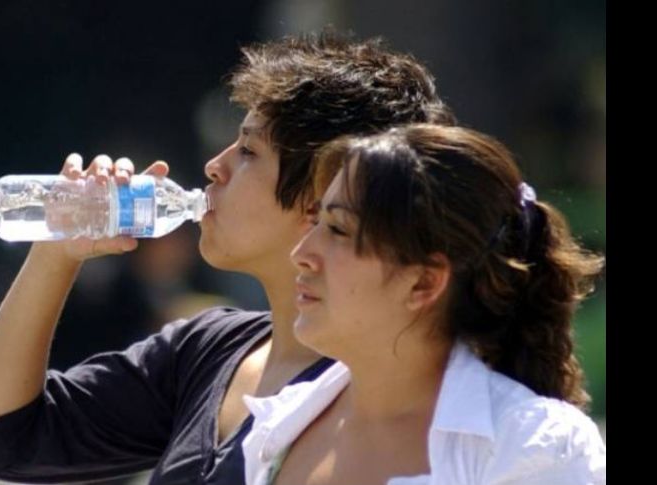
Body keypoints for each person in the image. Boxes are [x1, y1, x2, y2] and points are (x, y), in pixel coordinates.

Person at [0, 30, 454, 484]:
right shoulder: (208, 349)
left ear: (324, 194)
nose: (215, 167)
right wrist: (55, 255)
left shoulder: (390, 396)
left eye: (248, 151)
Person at [243, 123, 606, 485]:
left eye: (338, 229)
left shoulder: (530, 447)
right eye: (317, 222)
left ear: (424, 282)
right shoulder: (284, 420)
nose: (301, 253)